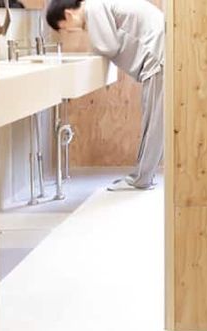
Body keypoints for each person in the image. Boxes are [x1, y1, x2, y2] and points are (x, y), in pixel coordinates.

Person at [45, 0, 164, 191]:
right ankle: (142, 176)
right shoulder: (98, 5)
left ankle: (142, 179)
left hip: (156, 56)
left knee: (154, 122)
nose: (68, 31)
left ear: (68, 14)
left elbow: (108, 46)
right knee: (153, 120)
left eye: (64, 28)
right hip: (158, 52)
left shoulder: (93, 7)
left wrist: (91, 51)